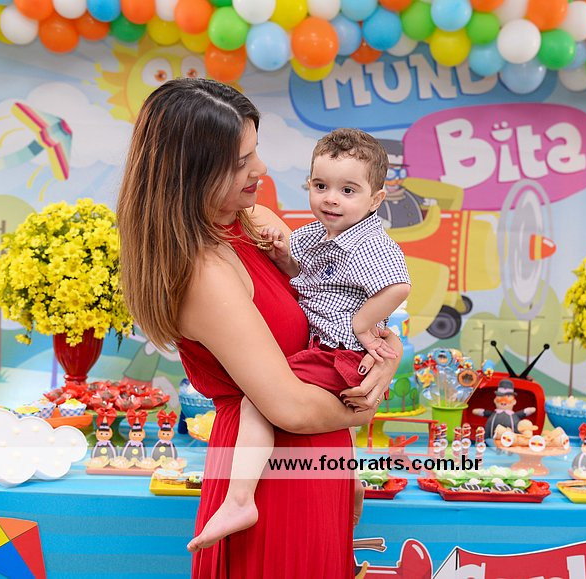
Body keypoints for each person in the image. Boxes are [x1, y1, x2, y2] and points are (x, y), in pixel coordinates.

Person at [116, 78, 402, 578]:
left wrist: (385, 351)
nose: (261, 169)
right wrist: (367, 404)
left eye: (256, 150)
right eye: (240, 161)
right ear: (192, 173)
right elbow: (290, 408)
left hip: (318, 455)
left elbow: (334, 311)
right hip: (268, 476)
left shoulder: (255, 222)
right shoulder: (204, 273)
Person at [188, 128, 411, 551]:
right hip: (304, 413)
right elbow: (305, 284)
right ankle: (269, 495)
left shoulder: (365, 242)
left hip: (332, 364)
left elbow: (396, 287)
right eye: (320, 186)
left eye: (348, 190)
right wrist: (284, 260)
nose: (331, 199)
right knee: (266, 397)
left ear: (376, 199)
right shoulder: (311, 236)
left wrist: (368, 330)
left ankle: (240, 499)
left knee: (258, 399)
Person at [472, 380, 536, 440]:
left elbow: (524, 412)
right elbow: (483, 412)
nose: (503, 399)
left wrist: (527, 411)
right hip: (491, 439)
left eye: (508, 396)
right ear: (495, 400)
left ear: (514, 401)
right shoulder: (494, 414)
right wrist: (480, 412)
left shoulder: (514, 415)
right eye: (500, 396)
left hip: (512, 441)